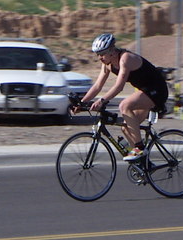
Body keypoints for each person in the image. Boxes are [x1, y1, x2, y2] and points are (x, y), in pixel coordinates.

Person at [72, 33, 168, 161]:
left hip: (157, 89)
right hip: (144, 91)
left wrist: (102, 100)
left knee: (124, 105)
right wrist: (82, 103)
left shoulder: (125, 59)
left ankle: (139, 148)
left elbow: (119, 87)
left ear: (112, 51)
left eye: (102, 54)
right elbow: (97, 86)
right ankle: (143, 164)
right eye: (98, 54)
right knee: (126, 127)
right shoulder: (107, 64)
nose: (99, 57)